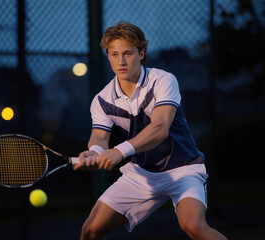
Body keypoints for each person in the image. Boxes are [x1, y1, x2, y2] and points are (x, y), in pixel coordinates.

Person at [74, 21, 227, 240]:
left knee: (193, 226)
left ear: (141, 53)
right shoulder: (102, 100)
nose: (121, 61)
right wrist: (94, 152)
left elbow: (160, 128)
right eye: (114, 54)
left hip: (183, 168)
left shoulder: (163, 80)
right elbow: (99, 136)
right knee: (90, 231)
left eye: (128, 53)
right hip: (142, 174)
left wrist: (119, 151)